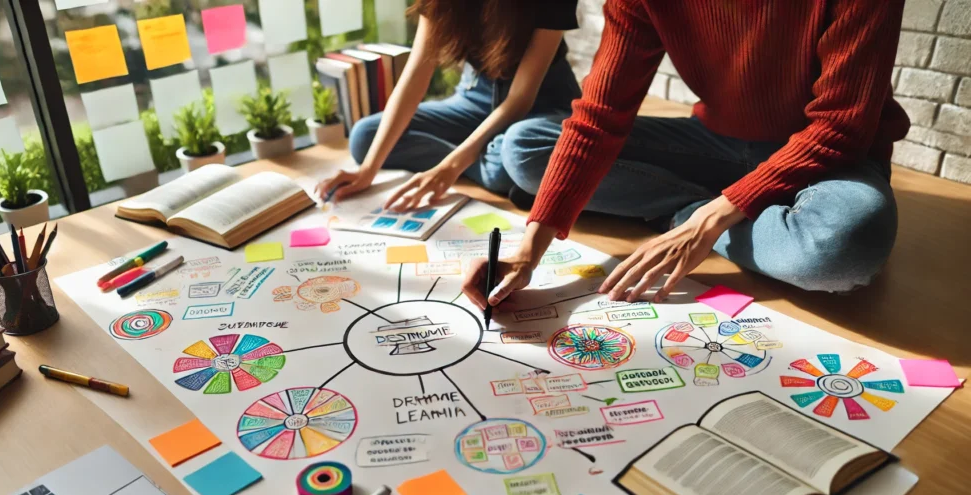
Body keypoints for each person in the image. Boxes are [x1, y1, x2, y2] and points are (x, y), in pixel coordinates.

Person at [463, 1, 910, 312]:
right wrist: (529, 250)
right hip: (718, 142)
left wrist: (707, 222)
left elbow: (841, 124)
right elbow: (599, 115)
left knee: (841, 247)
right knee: (524, 148)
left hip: (832, 156)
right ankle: (706, 208)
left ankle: (691, 213)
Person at [315, 0, 581, 211]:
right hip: (474, 97)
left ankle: (490, 166)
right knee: (365, 137)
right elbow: (416, 74)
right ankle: (489, 165)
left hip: (541, 104)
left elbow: (519, 100)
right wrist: (367, 170)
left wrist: (451, 167)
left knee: (515, 152)